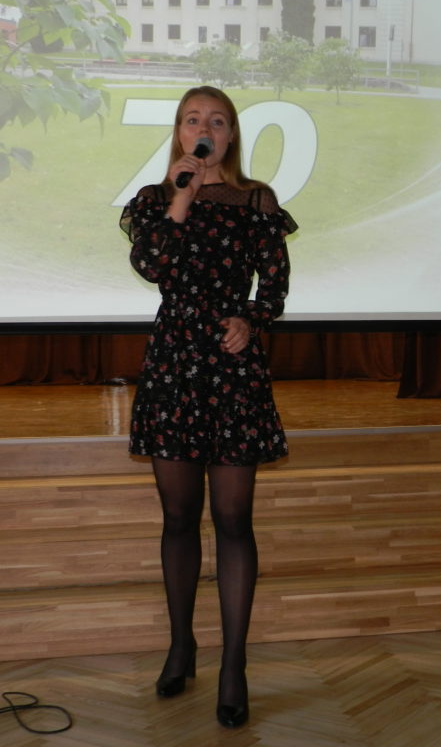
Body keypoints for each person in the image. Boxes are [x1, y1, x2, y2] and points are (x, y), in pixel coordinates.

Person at [119, 86, 295, 729]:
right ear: (179, 132)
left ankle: (234, 666)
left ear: (231, 135)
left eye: (217, 121)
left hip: (231, 367)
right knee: (178, 516)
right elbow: (152, 265)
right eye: (193, 120)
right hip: (173, 365)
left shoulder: (257, 201)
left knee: (232, 518)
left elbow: (274, 286)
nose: (205, 129)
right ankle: (180, 646)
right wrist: (181, 196)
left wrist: (251, 320)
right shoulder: (155, 199)